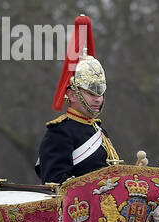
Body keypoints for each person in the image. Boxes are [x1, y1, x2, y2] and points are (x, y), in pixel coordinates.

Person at [36, 14, 122, 184]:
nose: (98, 99)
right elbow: (55, 182)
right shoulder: (59, 132)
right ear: (72, 94)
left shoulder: (99, 129)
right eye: (91, 93)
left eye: (100, 92)